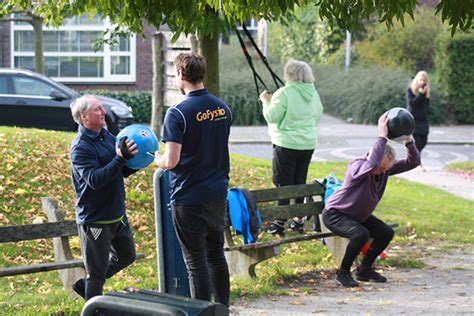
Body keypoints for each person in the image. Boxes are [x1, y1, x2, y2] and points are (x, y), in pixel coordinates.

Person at [154, 53, 232, 306]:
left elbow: (171, 160)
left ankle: (202, 312)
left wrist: (157, 158)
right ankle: (222, 309)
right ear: (202, 74)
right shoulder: (222, 108)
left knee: (195, 260)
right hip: (218, 192)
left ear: (180, 75)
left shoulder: (177, 113)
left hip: (188, 196)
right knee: (216, 255)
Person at [322, 114, 420, 288]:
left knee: (386, 233)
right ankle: (343, 272)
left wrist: (409, 140)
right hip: (336, 214)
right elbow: (371, 164)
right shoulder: (358, 166)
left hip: (357, 216)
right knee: (361, 234)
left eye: (385, 169)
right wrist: (382, 137)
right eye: (380, 167)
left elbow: (414, 162)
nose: (381, 171)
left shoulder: (383, 170)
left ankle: (364, 270)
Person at [69, 95, 138, 300]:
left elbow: (120, 170)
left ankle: (86, 285)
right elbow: (95, 179)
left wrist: (133, 162)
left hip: (117, 214)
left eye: (102, 108)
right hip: (96, 220)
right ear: (84, 116)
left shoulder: (106, 136)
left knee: (127, 256)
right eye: (98, 109)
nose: (103, 112)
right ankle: (93, 304)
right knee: (97, 272)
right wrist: (119, 159)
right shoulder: (80, 147)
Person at [259, 59, 324, 236]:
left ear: (289, 74)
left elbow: (272, 116)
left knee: (283, 182)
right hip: (307, 143)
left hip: (286, 143)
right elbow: (317, 115)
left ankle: (279, 223)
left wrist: (265, 101)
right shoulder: (313, 93)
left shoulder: (284, 93)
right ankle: (298, 220)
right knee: (299, 180)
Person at [406, 70, 430, 170]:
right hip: (413, 119)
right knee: (417, 141)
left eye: (425, 80)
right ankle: (417, 163)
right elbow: (412, 104)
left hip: (423, 118)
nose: (423, 82)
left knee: (424, 140)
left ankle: (413, 159)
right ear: (417, 80)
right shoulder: (410, 90)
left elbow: (426, 105)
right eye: (421, 80)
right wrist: (420, 94)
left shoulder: (426, 92)